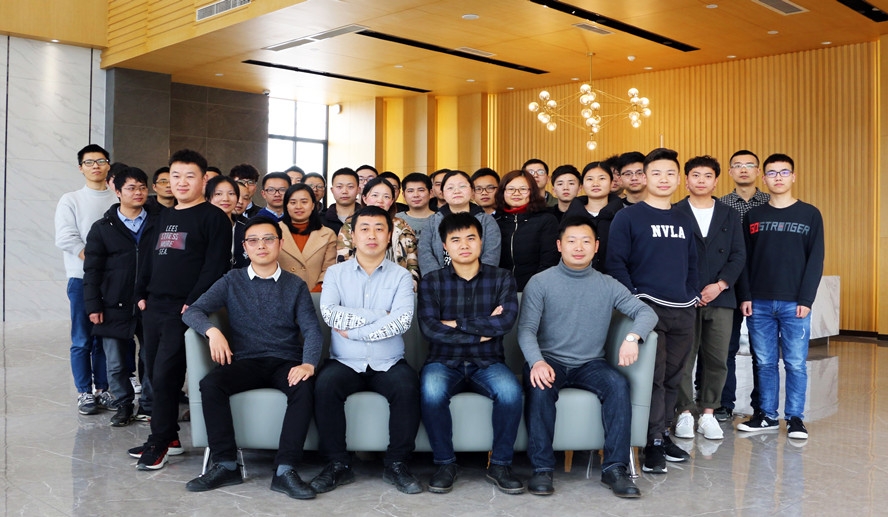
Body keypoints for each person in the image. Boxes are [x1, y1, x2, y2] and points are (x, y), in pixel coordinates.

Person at [182, 217, 322, 499]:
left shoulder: (295, 285)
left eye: (269, 239)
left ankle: (285, 470)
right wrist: (212, 332)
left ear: (280, 244)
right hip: (246, 361)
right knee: (211, 384)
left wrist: (308, 364)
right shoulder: (231, 280)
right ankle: (226, 464)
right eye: (253, 240)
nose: (262, 246)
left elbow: (312, 330)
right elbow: (192, 311)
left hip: (285, 360)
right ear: (244, 247)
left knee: (304, 386)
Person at [519, 216, 657, 498]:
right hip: (549, 359)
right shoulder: (540, 282)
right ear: (560, 245)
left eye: (585, 241)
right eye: (571, 241)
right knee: (540, 386)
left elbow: (646, 312)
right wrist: (537, 362)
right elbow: (526, 330)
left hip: (590, 364)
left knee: (618, 385)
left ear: (596, 246)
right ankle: (542, 468)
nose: (578, 247)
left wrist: (633, 338)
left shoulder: (608, 284)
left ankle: (615, 469)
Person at [131, 149, 232, 470]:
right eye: (175, 176)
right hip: (153, 306)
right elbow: (147, 257)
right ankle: (170, 437)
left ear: (204, 180)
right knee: (153, 372)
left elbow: (215, 265)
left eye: (190, 176)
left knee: (165, 374)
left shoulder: (214, 217)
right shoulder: (161, 217)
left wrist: (194, 301)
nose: (182, 182)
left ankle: (159, 441)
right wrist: (140, 294)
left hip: (185, 308)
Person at [312, 206, 422, 495]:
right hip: (344, 361)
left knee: (408, 387)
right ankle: (337, 464)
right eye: (364, 228)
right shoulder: (335, 273)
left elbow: (401, 321)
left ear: (389, 235)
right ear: (353, 235)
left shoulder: (401, 276)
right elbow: (330, 314)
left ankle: (397, 464)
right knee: (324, 386)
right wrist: (379, 315)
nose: (371, 235)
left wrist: (355, 331)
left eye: (379, 228)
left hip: (389, 361)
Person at [606, 148, 699, 474]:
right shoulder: (628, 217)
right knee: (653, 379)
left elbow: (693, 264)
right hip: (647, 309)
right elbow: (616, 263)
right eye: (656, 173)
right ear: (644, 177)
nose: (663, 179)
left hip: (682, 310)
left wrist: (692, 294)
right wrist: (634, 302)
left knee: (674, 377)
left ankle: (662, 433)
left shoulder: (684, 218)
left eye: (670, 173)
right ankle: (652, 442)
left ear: (679, 179)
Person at [418, 212, 523, 495]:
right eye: (455, 240)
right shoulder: (431, 281)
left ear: (481, 241)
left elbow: (505, 322)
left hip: (488, 361)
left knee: (511, 392)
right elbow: (430, 328)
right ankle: (445, 464)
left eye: (470, 238)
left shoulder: (502, 278)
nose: (464, 245)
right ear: (444, 245)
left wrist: (455, 324)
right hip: (443, 361)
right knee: (431, 391)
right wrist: (482, 328)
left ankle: (500, 465)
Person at [737, 153, 824, 441]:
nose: (778, 177)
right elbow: (744, 260)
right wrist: (746, 295)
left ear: (793, 177)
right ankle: (767, 416)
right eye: (772, 173)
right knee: (764, 363)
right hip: (759, 302)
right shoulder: (753, 216)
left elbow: (816, 260)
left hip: (794, 303)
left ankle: (795, 418)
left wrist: (806, 300)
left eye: (784, 172)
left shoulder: (810, 214)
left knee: (796, 363)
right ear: (764, 178)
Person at [672, 156, 745, 441]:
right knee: (682, 358)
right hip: (684, 298)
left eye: (707, 176)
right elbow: (670, 256)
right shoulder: (674, 212)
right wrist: (691, 289)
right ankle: (684, 412)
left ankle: (709, 413)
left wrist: (721, 284)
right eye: (695, 175)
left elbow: (738, 254)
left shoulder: (729, 214)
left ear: (716, 181)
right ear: (686, 180)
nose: (701, 180)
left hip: (721, 297)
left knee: (717, 358)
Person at [83, 166, 156, 427]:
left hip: (151, 303)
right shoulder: (102, 228)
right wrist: (93, 304)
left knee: (151, 358)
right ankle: (123, 404)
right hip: (113, 304)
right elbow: (92, 270)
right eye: (131, 188)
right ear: (117, 191)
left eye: (142, 187)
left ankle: (148, 405)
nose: (138, 193)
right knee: (115, 363)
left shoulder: (158, 224)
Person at [54, 144, 118, 415]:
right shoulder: (71, 199)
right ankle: (84, 392)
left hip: (112, 281)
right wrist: (94, 263)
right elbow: (66, 237)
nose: (95, 166)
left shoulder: (117, 198)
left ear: (108, 165)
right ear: (80, 168)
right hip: (81, 279)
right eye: (89, 162)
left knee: (104, 337)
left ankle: (103, 389)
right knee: (82, 338)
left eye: (101, 161)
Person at [715, 150, 770, 422]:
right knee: (726, 347)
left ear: (758, 171)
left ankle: (761, 405)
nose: (744, 169)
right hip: (729, 285)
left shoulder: (770, 203)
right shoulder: (721, 205)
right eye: (737, 165)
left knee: (763, 351)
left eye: (749, 165)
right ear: (730, 172)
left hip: (762, 284)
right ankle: (724, 403)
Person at [336, 177, 420, 286]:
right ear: (365, 198)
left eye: (386, 196)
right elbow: (344, 260)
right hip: (358, 285)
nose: (380, 200)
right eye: (375, 195)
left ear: (392, 201)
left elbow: (412, 264)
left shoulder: (402, 227)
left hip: (397, 285)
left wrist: (407, 286)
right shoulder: (351, 224)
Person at [418, 170, 500, 275]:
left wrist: (478, 279)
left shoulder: (487, 221)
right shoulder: (432, 222)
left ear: (472, 191)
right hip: (440, 281)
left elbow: (491, 255)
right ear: (443, 193)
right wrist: (438, 279)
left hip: (479, 281)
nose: (456, 191)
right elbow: (425, 253)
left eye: (462, 186)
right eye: (450, 188)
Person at [494, 170, 559, 291]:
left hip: (536, 290)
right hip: (501, 290)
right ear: (503, 192)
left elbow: (549, 261)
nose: (516, 193)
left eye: (523, 189)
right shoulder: (495, 221)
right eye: (511, 189)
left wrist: (535, 289)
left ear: (532, 192)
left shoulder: (546, 220)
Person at [564, 161, 624, 272]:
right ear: (582, 185)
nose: (595, 184)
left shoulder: (622, 215)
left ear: (612, 183)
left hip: (615, 278)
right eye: (590, 179)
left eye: (602, 178)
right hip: (576, 276)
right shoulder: (571, 215)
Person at [278, 184, 337, 291]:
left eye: (304, 202)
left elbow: (329, 269)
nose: (298, 206)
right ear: (286, 205)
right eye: (293, 202)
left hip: (315, 295)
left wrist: (315, 293)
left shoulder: (328, 234)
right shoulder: (274, 232)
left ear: (313, 205)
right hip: (281, 294)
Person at [205, 175, 248, 269]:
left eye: (231, 193)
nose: (226, 199)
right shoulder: (200, 228)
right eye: (218, 194)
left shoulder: (246, 229)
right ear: (207, 198)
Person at [398, 172, 435, 241]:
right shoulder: (396, 220)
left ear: (431, 193)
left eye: (421, 190)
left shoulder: (441, 219)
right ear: (403, 195)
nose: (416, 195)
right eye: (410, 191)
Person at [323, 167, 360, 234]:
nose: (344, 191)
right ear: (332, 190)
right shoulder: (320, 219)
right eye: (339, 187)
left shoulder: (367, 217)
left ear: (358, 190)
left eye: (350, 187)